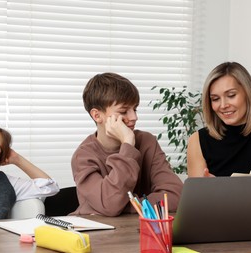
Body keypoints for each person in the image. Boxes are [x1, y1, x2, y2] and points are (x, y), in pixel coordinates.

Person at [71, 72, 183, 217]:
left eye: (134, 109)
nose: (134, 117)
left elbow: (176, 197)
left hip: (139, 232)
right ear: (97, 115)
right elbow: (111, 204)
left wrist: (123, 207)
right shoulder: (82, 157)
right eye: (124, 111)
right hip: (101, 237)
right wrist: (128, 144)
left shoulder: (147, 142)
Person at [187, 61, 251, 210]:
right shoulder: (198, 141)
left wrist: (224, 193)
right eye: (215, 99)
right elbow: (199, 203)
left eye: (231, 95)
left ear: (247, 93)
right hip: (219, 228)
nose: (223, 105)